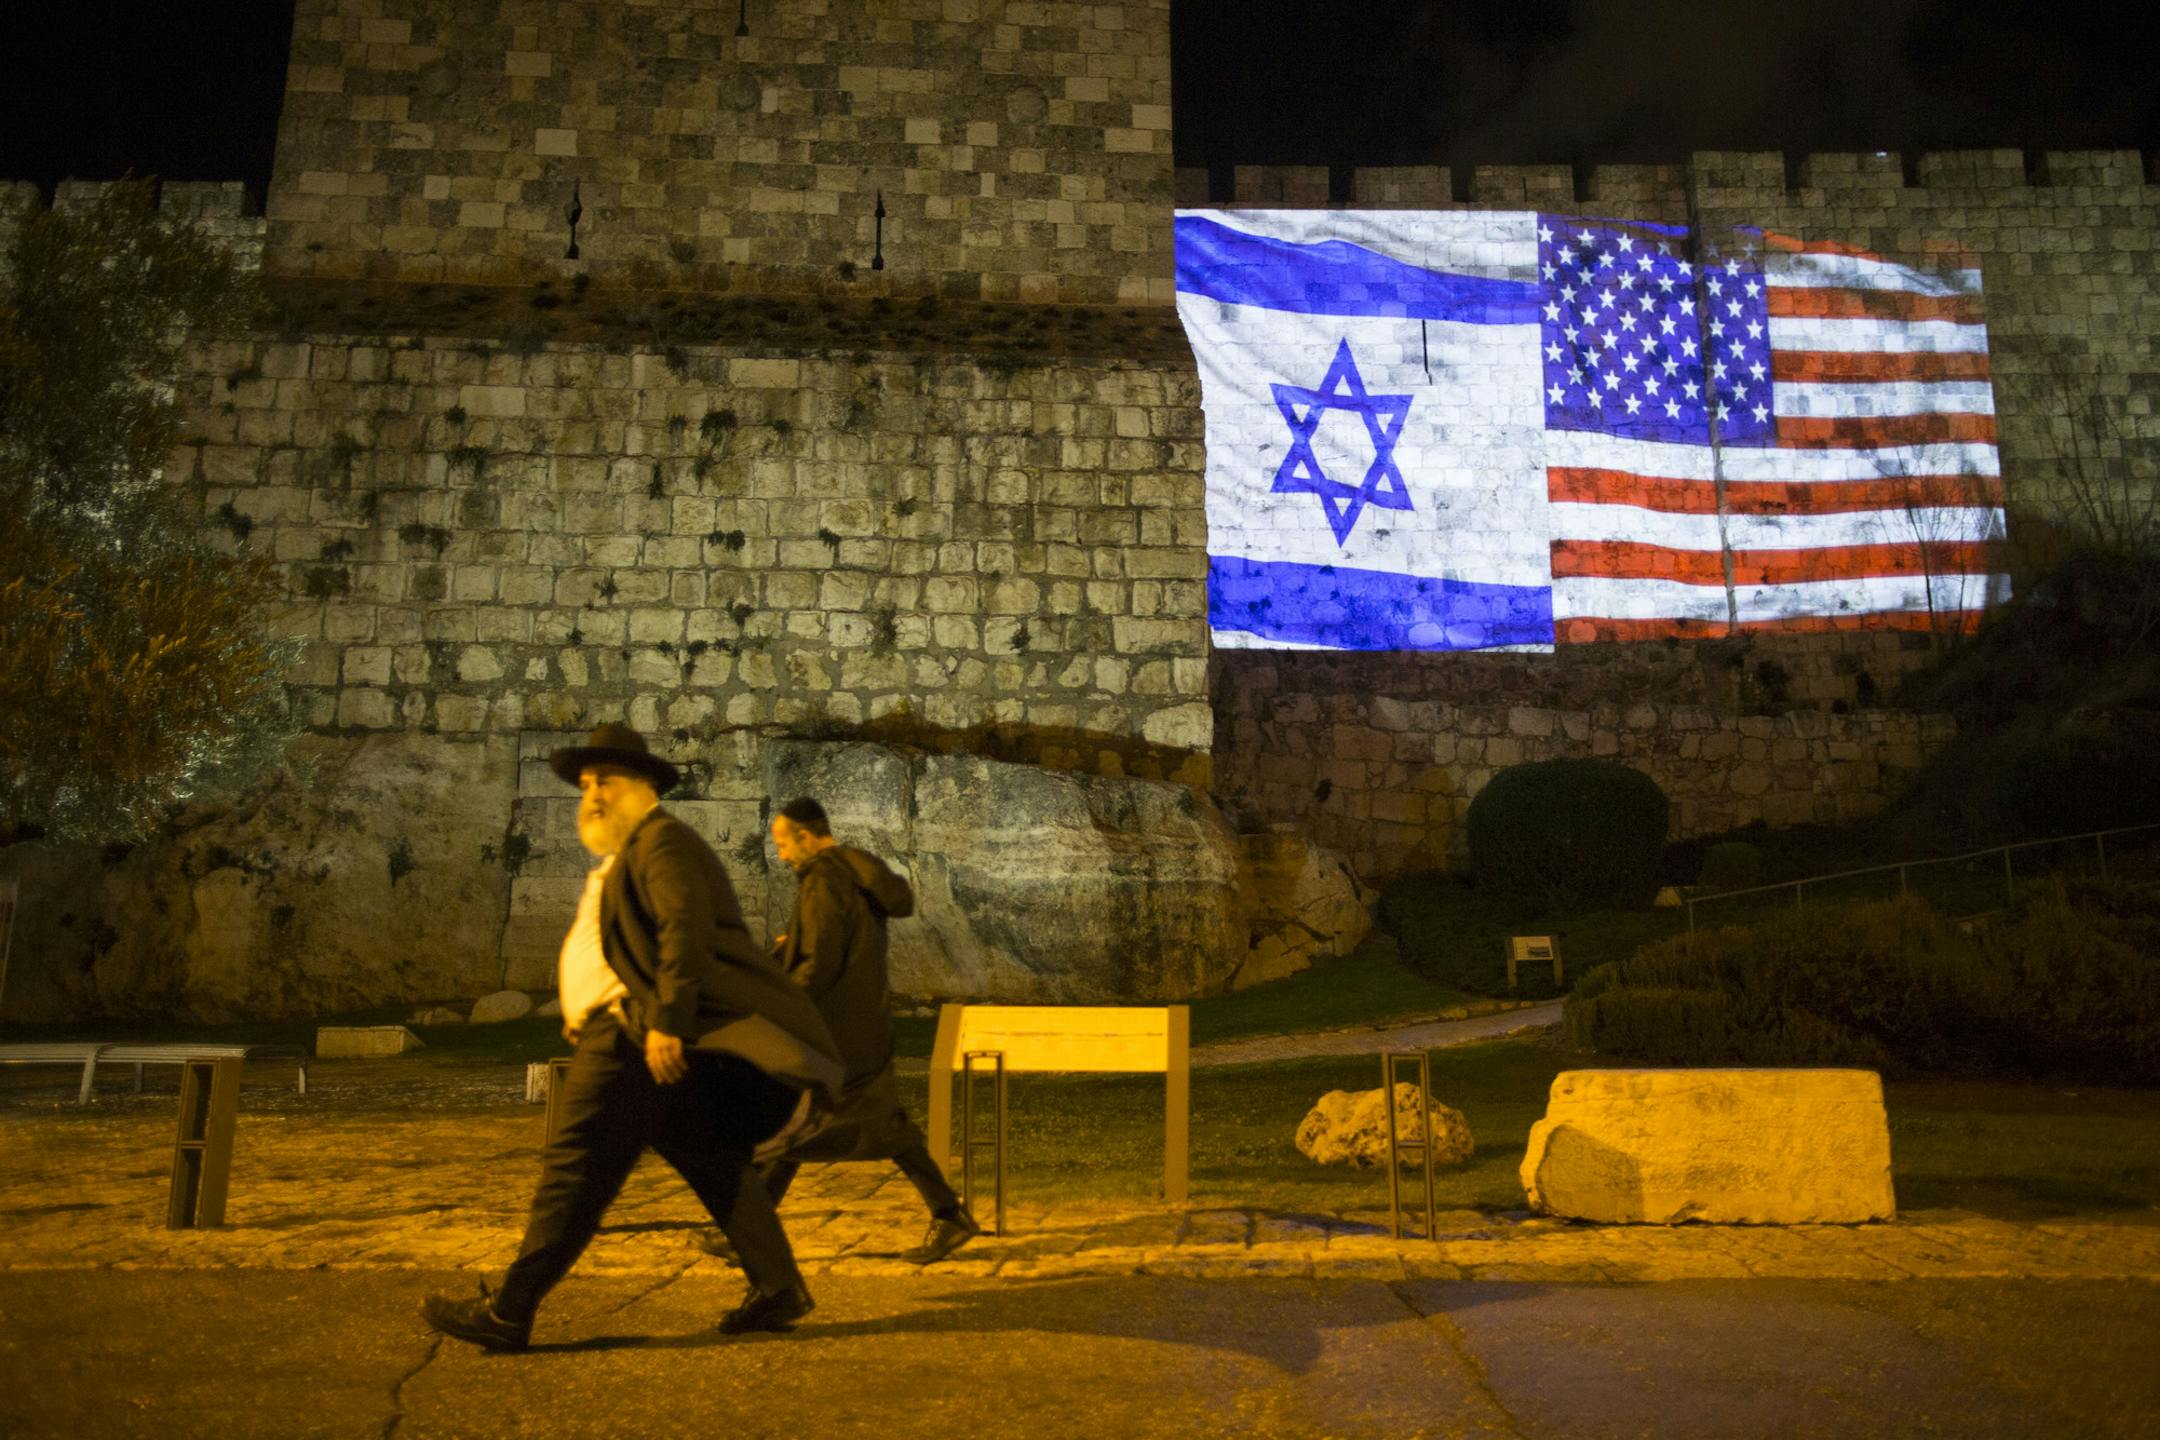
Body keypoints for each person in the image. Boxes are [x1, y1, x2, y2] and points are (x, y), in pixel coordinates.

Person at [422, 723, 845, 1352]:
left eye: (605, 781)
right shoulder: (630, 855)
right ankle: (779, 1286)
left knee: (574, 1170)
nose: (591, 794)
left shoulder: (663, 842)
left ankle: (510, 1313)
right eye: (585, 783)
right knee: (709, 1157)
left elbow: (685, 931)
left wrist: (666, 1024)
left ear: (643, 786)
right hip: (632, 1029)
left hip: (632, 1033)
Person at [710, 796, 979, 1265]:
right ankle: (949, 1215)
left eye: (784, 843)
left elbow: (820, 960)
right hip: (862, 1024)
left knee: (799, 1120)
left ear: (807, 837)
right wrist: (792, 942)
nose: (782, 855)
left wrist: (781, 1003)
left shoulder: (823, 879)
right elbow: (835, 943)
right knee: (834, 1125)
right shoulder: (855, 874)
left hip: (832, 1030)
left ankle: (749, 1232)